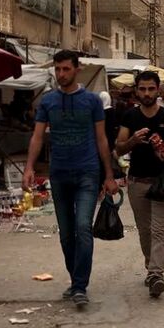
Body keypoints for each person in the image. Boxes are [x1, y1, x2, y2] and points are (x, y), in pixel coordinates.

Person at [23, 50, 118, 308]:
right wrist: (29, 167)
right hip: (59, 174)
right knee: (66, 234)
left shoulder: (92, 101)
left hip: (87, 173)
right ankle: (76, 279)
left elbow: (101, 139)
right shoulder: (48, 102)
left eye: (66, 69)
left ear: (77, 70)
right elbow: (38, 136)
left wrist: (109, 175)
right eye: (58, 69)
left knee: (83, 228)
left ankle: (79, 286)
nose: (61, 74)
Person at [116, 71, 164, 297]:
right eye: (142, 89)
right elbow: (119, 147)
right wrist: (133, 141)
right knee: (145, 231)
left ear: (158, 90)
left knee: (158, 230)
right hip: (137, 182)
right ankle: (150, 265)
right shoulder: (129, 117)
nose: (146, 93)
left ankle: (156, 273)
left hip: (163, 181)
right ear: (136, 91)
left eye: (151, 89)